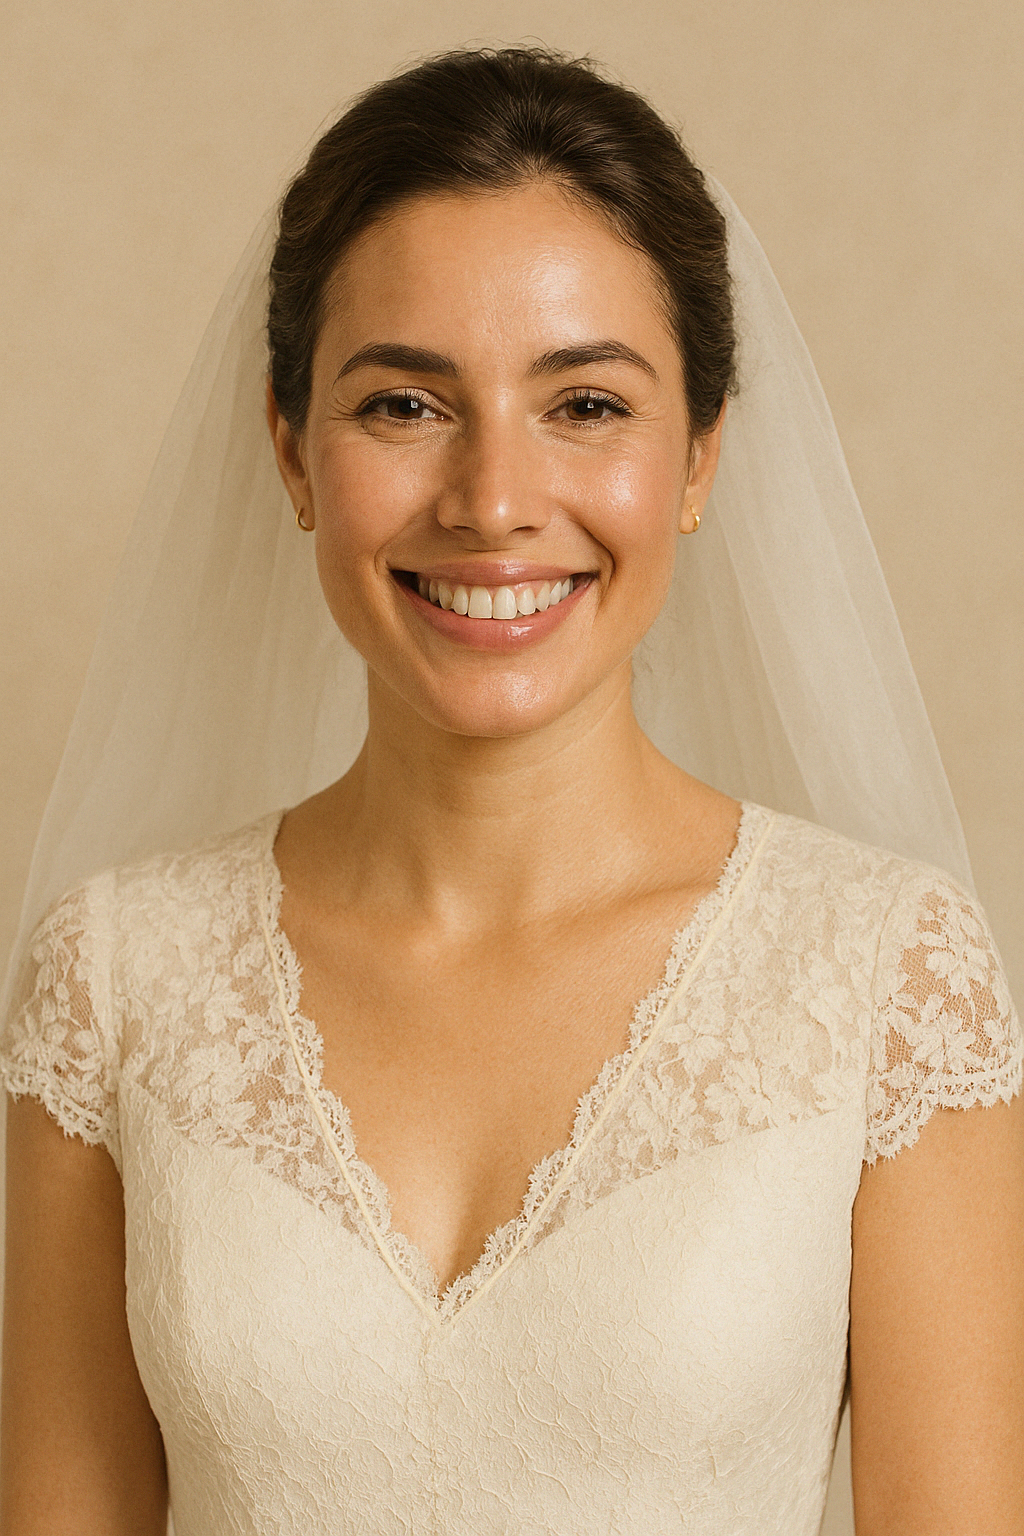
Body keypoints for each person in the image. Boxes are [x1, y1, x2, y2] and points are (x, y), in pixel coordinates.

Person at [1, 46, 1021, 1536]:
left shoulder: (887, 978)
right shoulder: (110, 979)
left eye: (587, 406)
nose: (490, 500)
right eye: (404, 406)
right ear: (291, 452)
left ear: (700, 457)